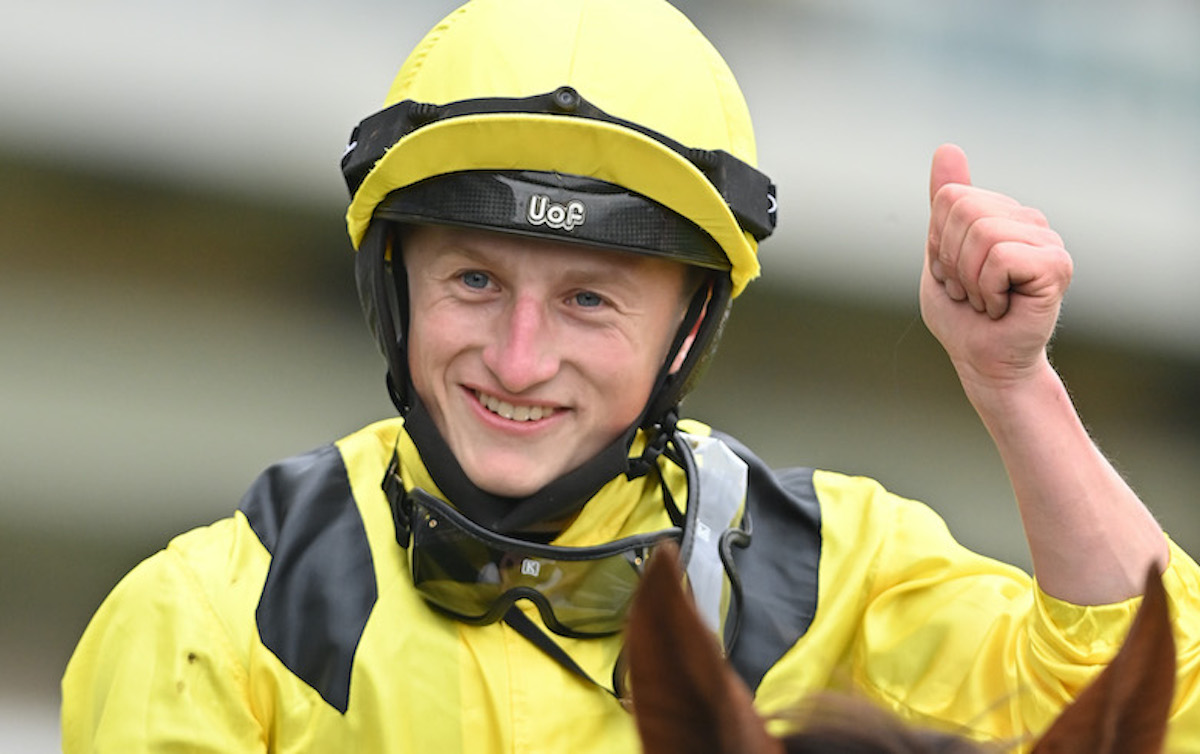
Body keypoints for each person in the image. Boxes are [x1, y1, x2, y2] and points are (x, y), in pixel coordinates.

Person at [61, 0, 1199, 751]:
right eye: (472, 282)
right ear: (393, 285)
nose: (517, 359)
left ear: (688, 329)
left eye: (589, 300)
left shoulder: (836, 568)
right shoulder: (204, 619)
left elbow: (1157, 700)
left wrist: (1014, 384)